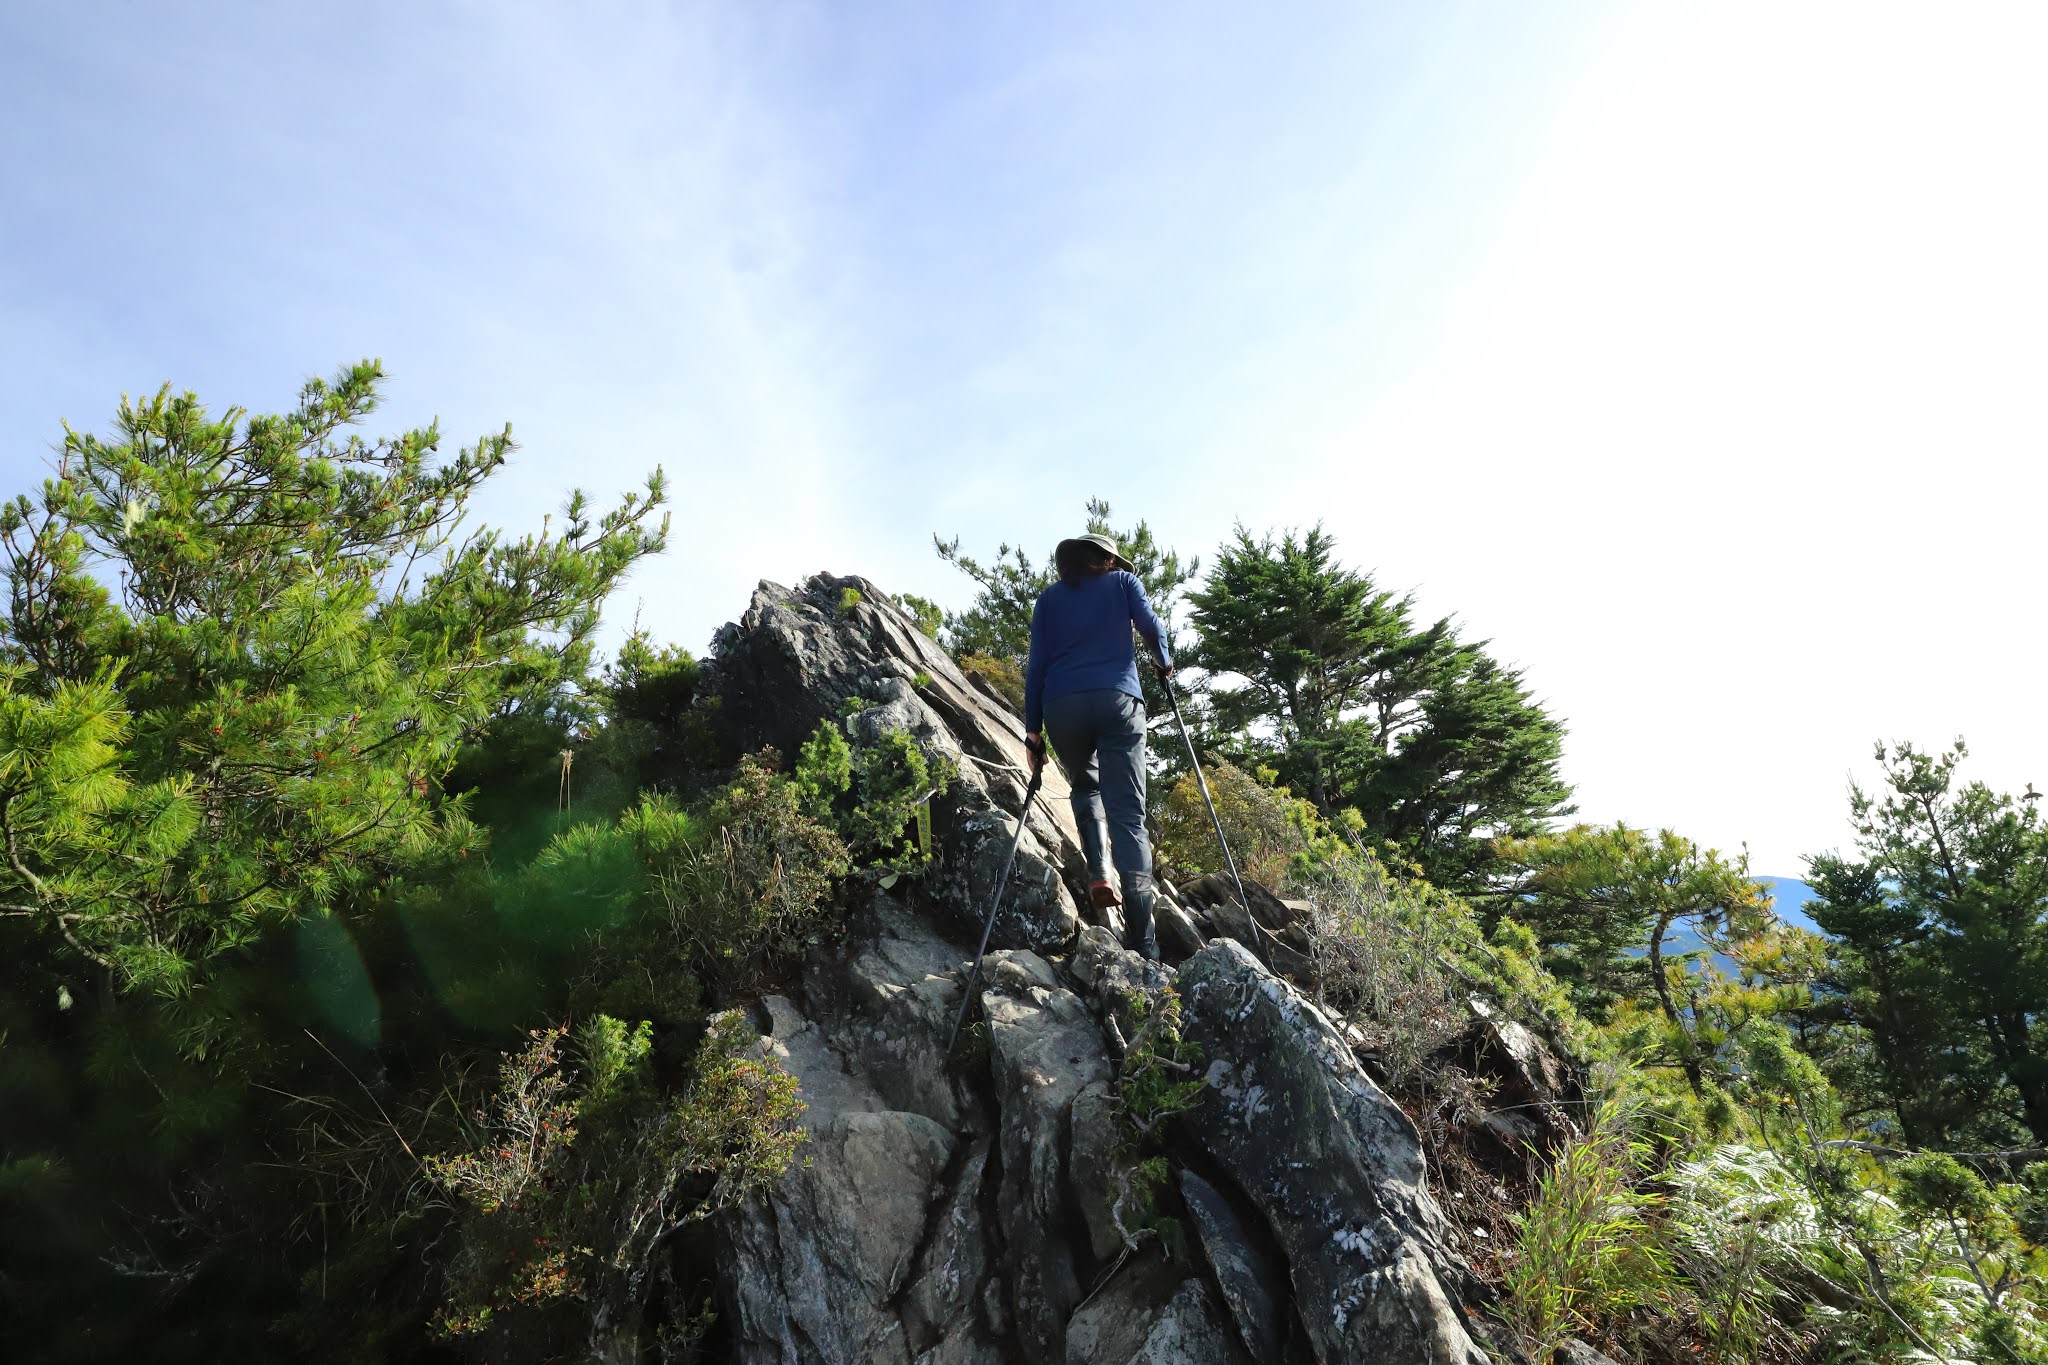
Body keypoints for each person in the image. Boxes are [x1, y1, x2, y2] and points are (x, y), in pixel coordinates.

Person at [1023, 531, 1171, 960]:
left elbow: (1036, 666)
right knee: (1128, 816)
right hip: (1117, 701)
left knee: (1086, 787)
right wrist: (1163, 660)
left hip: (1061, 706)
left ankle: (1100, 871)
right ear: (1107, 560)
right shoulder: (1124, 583)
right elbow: (1150, 626)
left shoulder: (1048, 600)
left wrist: (1033, 732)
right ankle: (1144, 942)